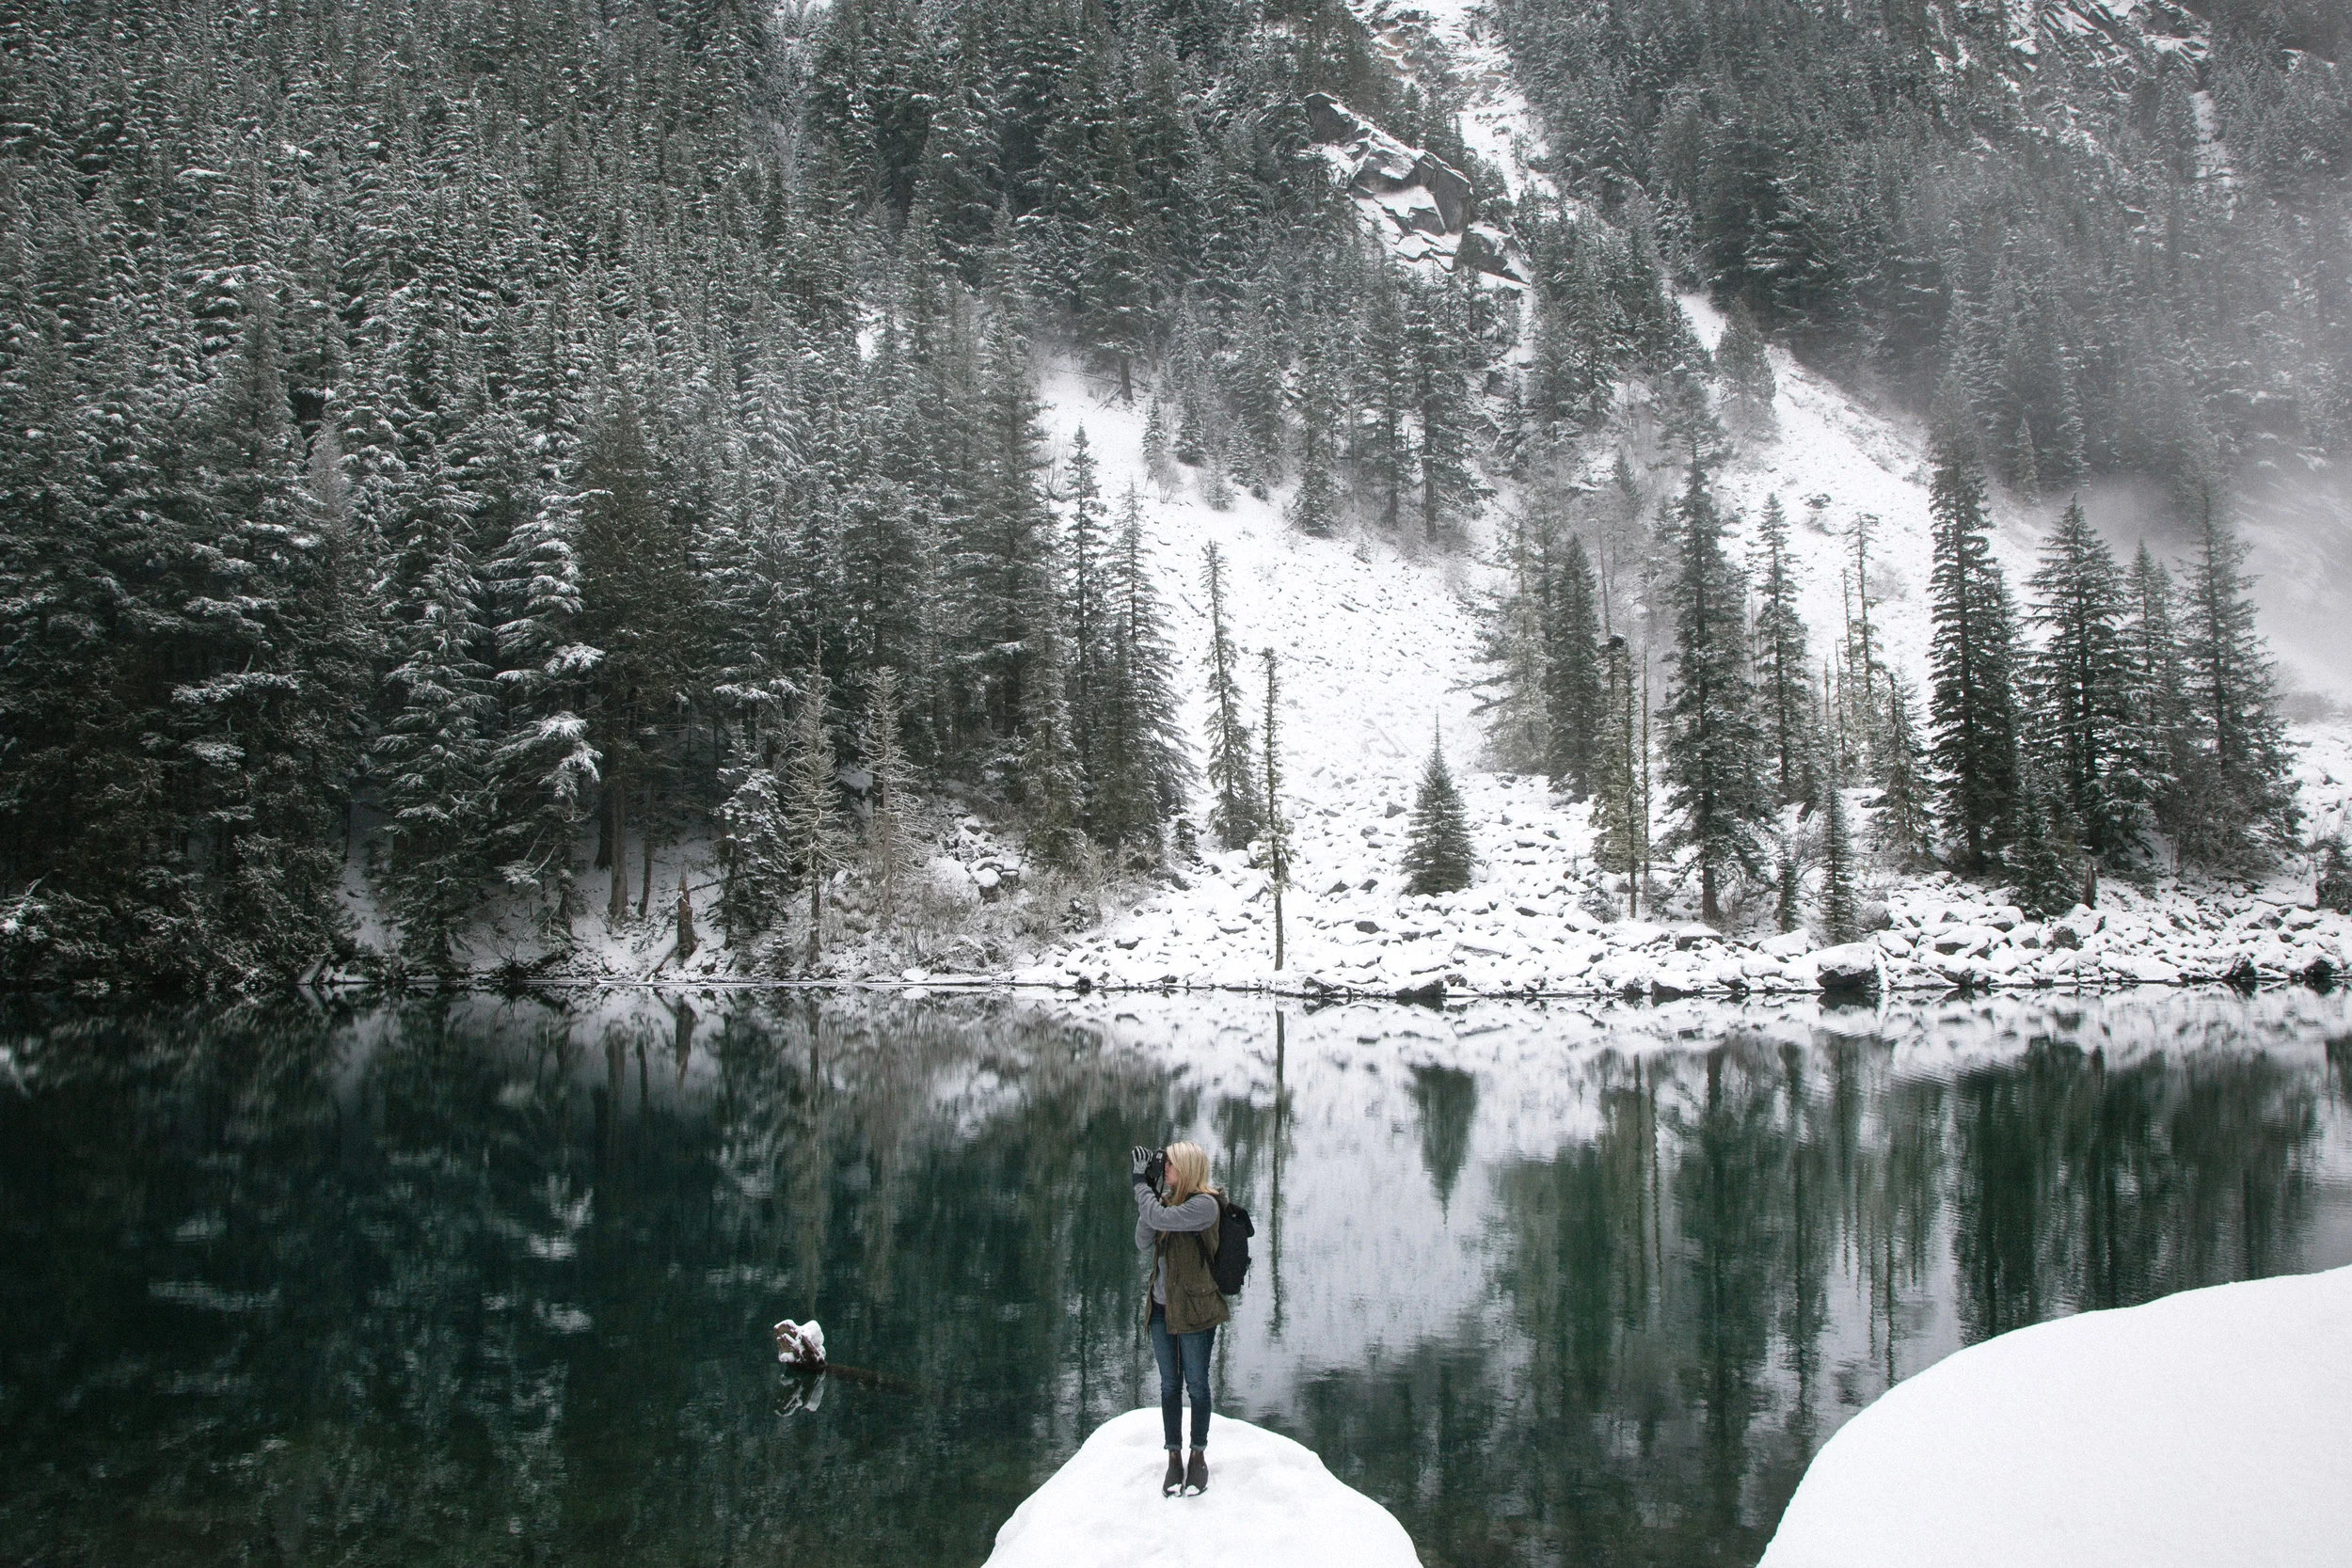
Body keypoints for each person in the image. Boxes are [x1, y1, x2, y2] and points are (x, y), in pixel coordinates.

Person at [1132, 1140, 1228, 1497]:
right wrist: (1153, 1192)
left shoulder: (1205, 1205)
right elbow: (1143, 1240)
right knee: (1169, 1385)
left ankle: (1197, 1456)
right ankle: (1174, 1456)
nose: (1164, 1169)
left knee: (1197, 1386)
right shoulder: (1165, 1203)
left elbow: (1159, 1219)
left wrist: (1141, 1187)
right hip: (1160, 1309)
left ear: (1186, 1168)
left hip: (1196, 1312)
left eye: (1169, 1165)